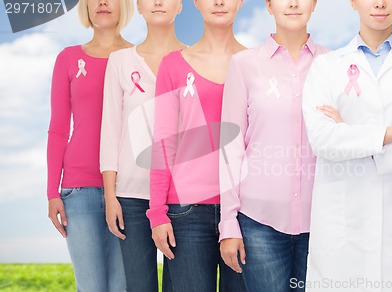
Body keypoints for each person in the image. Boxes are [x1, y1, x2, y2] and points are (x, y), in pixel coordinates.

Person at [302, 0, 392, 291]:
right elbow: (322, 139)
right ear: (354, 2)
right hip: (343, 224)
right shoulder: (326, 67)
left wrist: (349, 134)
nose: (380, 3)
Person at [218, 0, 330, 291]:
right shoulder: (244, 65)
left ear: (315, 4)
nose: (293, 4)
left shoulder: (334, 65)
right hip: (258, 223)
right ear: (268, 5)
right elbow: (230, 147)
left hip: (322, 222)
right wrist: (228, 223)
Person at [146, 0, 247, 291]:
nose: (218, 2)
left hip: (245, 211)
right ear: (195, 3)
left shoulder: (256, 64)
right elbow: (163, 142)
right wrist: (157, 212)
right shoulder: (173, 65)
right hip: (186, 212)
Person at [46, 0, 133, 290]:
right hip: (78, 191)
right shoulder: (68, 58)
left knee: (123, 286)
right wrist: (52, 192)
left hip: (128, 190)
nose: (103, 2)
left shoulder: (138, 58)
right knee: (91, 287)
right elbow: (58, 129)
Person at [100, 0, 186, 291]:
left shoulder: (193, 59)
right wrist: (111, 196)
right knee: (139, 285)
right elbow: (111, 131)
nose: (158, 2)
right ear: (138, 6)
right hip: (131, 197)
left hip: (181, 197)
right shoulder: (121, 61)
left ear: (181, 7)